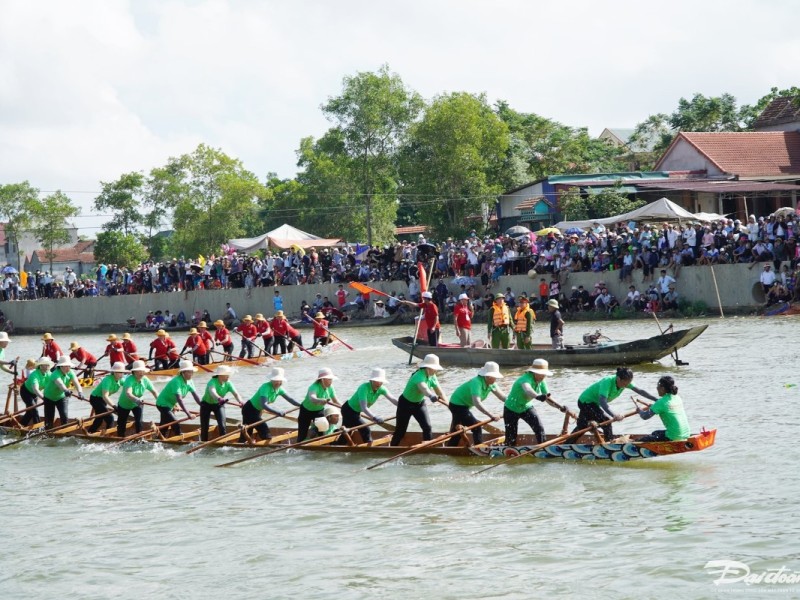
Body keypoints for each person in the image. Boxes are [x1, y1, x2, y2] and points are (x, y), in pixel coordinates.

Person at [569, 367, 658, 442]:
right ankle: (609, 444)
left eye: (628, 383)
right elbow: (602, 402)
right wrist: (614, 415)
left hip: (593, 404)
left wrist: (656, 399)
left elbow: (641, 391)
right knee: (606, 422)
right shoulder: (607, 382)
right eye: (625, 383)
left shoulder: (625, 382)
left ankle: (567, 443)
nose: (626, 385)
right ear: (618, 378)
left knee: (582, 426)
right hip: (586, 402)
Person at [390, 354, 447, 446]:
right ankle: (392, 449)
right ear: (427, 367)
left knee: (427, 427)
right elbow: (424, 389)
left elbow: (440, 393)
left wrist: (450, 406)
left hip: (419, 404)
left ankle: (428, 448)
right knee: (400, 431)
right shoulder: (418, 375)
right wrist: (431, 395)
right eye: (434, 368)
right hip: (405, 404)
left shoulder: (432, 376)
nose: (436, 370)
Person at [445, 361, 504, 447]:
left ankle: (449, 450)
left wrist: (514, 404)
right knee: (476, 427)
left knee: (457, 433)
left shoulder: (492, 384)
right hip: (457, 406)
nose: (496, 379)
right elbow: (477, 402)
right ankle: (479, 448)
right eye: (494, 377)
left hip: (465, 406)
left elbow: (502, 397)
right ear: (488, 376)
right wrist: (491, 415)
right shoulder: (476, 382)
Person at [240, 367, 300, 443]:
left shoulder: (279, 389)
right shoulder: (265, 387)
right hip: (249, 410)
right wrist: (277, 412)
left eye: (280, 381)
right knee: (263, 428)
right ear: (271, 380)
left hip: (257, 411)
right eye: (276, 381)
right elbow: (264, 405)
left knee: (248, 431)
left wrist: (302, 405)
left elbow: (291, 400)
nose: (278, 383)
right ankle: (268, 444)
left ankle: (241, 444)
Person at [341, 368, 398, 444]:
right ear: (372, 380)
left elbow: (393, 399)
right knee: (365, 429)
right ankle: (369, 446)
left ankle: (335, 445)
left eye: (381, 382)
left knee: (347, 432)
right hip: (348, 410)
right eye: (377, 381)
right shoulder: (363, 388)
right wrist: (375, 417)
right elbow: (363, 408)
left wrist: (403, 406)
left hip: (356, 412)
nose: (379, 383)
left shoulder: (382, 389)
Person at [504, 358, 552, 446]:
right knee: (511, 437)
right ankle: (509, 449)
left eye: (544, 374)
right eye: (541, 374)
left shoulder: (542, 381)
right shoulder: (525, 379)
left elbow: (548, 398)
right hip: (511, 408)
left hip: (526, 407)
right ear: (534, 372)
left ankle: (543, 447)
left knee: (539, 428)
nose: (543, 376)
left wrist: (561, 407)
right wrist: (537, 396)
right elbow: (528, 389)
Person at [636, 375, 690, 442]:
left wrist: (639, 411)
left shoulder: (661, 402)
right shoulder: (677, 397)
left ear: (663, 388)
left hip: (674, 436)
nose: (656, 388)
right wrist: (654, 407)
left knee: (643, 440)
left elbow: (645, 416)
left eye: (658, 386)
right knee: (655, 433)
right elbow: (667, 408)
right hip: (686, 433)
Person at [155, 360, 200, 437]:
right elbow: (179, 399)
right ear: (183, 372)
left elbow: (195, 396)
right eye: (189, 372)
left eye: (192, 372)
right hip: (162, 404)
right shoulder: (176, 381)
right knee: (175, 423)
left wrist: (203, 406)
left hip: (171, 404)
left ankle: (159, 440)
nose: (191, 374)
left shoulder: (190, 381)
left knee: (165, 425)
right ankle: (178, 440)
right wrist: (188, 414)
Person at [199, 365, 243, 442]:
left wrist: (241, 402)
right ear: (220, 375)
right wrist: (219, 398)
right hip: (206, 405)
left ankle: (224, 443)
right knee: (205, 426)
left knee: (222, 425)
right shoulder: (212, 382)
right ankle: (203, 442)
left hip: (219, 405)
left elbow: (236, 394)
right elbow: (213, 392)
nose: (228, 376)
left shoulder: (228, 383)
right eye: (227, 374)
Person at [117, 360, 158, 437]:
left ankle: (139, 438)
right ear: (134, 372)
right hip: (124, 404)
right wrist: (136, 400)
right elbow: (128, 393)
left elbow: (154, 392)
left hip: (137, 404)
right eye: (139, 371)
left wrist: (160, 403)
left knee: (139, 421)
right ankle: (120, 438)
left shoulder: (145, 379)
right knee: (122, 424)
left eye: (142, 371)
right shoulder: (129, 379)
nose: (141, 373)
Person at [297, 367, 339, 442]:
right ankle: (300, 444)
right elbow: (312, 398)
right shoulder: (314, 387)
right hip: (305, 411)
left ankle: (319, 443)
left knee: (322, 427)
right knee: (302, 433)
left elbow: (335, 401)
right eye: (329, 379)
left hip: (318, 411)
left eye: (331, 379)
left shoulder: (331, 388)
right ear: (322, 379)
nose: (331, 381)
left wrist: (346, 408)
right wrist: (320, 400)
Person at [42, 356, 84, 429]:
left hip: (61, 397)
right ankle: (48, 434)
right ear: (60, 366)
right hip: (49, 397)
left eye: (69, 366)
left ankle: (65, 434)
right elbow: (60, 384)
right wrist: (66, 391)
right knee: (49, 420)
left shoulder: (71, 372)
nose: (68, 368)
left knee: (64, 415)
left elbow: (77, 383)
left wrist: (80, 392)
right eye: (65, 366)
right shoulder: (55, 374)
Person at [85, 362, 126, 434]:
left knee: (99, 418)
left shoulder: (121, 380)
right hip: (95, 399)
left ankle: (90, 432)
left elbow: (129, 387)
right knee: (110, 418)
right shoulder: (108, 380)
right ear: (114, 372)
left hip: (103, 400)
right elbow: (105, 396)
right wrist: (114, 406)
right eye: (120, 373)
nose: (122, 374)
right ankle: (108, 435)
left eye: (123, 372)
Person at [20, 357, 50, 426]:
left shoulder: (49, 374)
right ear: (41, 366)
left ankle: (21, 425)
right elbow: (36, 389)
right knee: (34, 410)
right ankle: (39, 429)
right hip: (26, 392)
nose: (48, 366)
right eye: (46, 365)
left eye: (48, 365)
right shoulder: (34, 375)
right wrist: (44, 398)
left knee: (30, 413)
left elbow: (53, 384)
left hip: (34, 394)